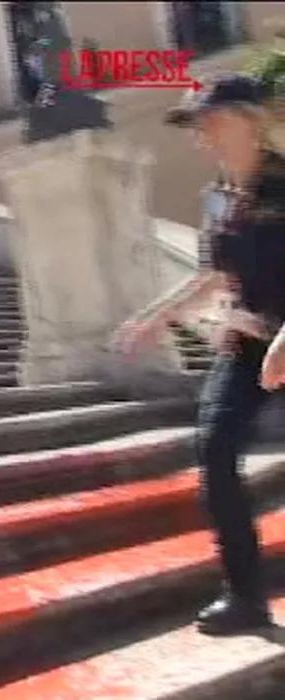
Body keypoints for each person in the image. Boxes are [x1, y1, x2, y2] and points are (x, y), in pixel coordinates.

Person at [117, 73, 284, 635]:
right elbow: (216, 273)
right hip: (247, 344)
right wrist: (154, 317)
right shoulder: (223, 200)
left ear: (253, 122)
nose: (203, 135)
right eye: (198, 127)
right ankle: (245, 597)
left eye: (213, 121)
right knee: (214, 452)